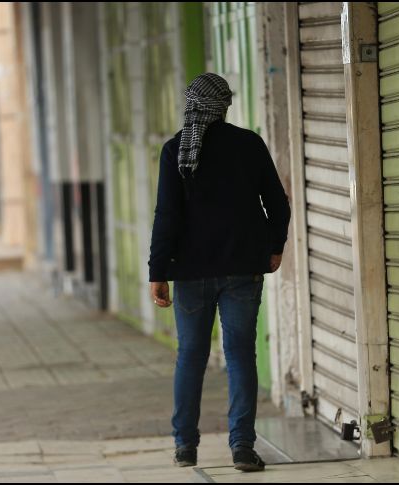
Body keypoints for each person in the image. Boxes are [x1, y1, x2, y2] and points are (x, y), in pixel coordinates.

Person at [148, 73, 291, 472]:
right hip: (243, 268)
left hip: (190, 272)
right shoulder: (249, 145)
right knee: (240, 354)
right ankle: (242, 446)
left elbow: (166, 216)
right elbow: (278, 204)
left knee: (191, 356)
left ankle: (185, 445)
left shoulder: (176, 150)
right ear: (225, 106)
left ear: (191, 105)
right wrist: (274, 246)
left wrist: (157, 271)